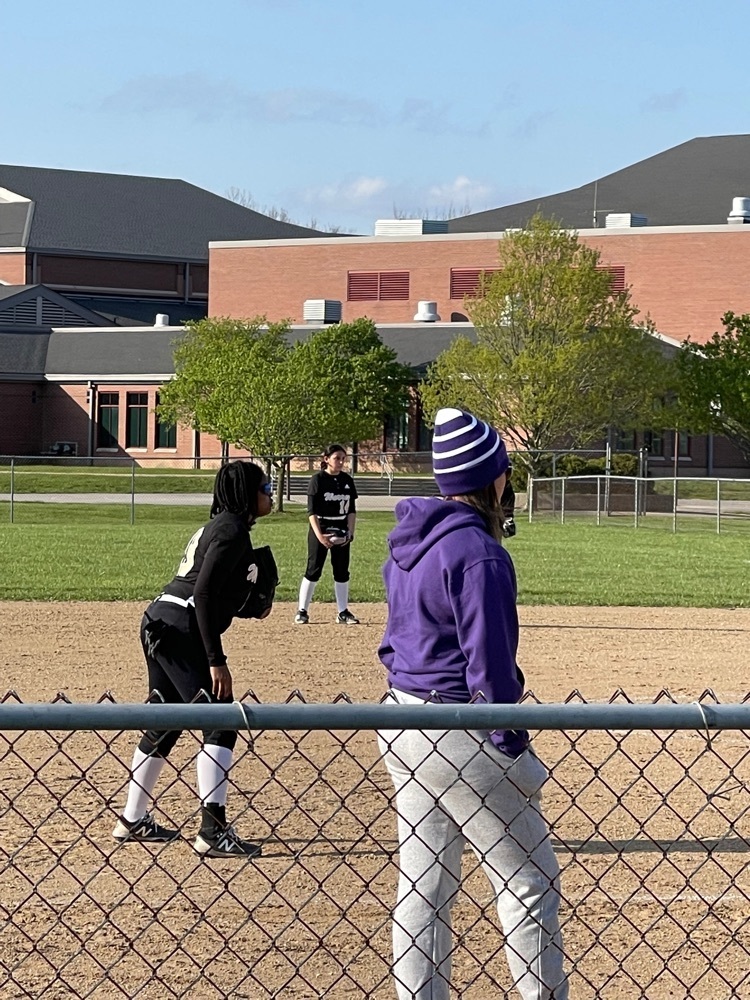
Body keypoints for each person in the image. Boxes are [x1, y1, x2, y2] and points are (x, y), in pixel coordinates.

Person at [377, 408, 567, 999]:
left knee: (425, 886)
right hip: (462, 729)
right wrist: (510, 744)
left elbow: (392, 644)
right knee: (528, 882)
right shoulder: (479, 553)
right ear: (491, 478)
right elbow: (491, 669)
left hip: (401, 719)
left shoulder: (408, 544)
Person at [112, 460, 274, 859]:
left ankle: (133, 818)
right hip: (181, 629)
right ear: (246, 493)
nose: (270, 493)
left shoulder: (220, 526)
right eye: (265, 487)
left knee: (165, 719)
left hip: (160, 620)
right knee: (221, 721)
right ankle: (212, 831)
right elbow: (202, 594)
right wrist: (216, 659)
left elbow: (210, 591)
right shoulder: (232, 531)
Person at [294, 444, 359, 625]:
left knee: (342, 571)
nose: (341, 462)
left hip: (341, 528)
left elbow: (351, 510)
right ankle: (302, 611)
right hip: (321, 527)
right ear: (326, 459)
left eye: (343, 459)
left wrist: (350, 533)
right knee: (313, 570)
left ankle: (343, 612)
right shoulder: (318, 479)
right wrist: (320, 536)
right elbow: (311, 512)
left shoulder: (347, 480)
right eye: (337, 458)